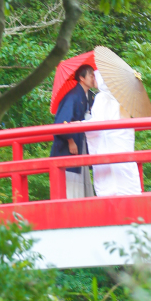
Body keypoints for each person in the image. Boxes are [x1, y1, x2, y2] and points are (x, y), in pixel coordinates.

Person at [86, 69, 142, 196]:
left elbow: (96, 124)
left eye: (96, 77)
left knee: (109, 181)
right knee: (126, 170)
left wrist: (81, 124)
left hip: (108, 144)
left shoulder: (102, 97)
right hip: (122, 142)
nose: (94, 80)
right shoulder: (125, 96)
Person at [50, 63, 96, 199]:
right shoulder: (73, 96)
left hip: (81, 144)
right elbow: (61, 123)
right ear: (82, 78)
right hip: (69, 147)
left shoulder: (88, 96)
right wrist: (70, 140)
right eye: (91, 75)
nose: (94, 78)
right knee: (71, 188)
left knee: (82, 184)